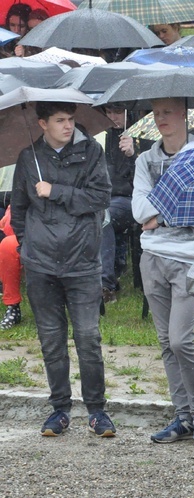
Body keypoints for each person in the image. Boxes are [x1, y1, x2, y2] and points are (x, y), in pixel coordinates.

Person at [11, 101, 115, 437]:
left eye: (70, 120)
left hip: (82, 261)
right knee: (51, 340)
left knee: (88, 337)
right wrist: (27, 247)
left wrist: (57, 191)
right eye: (59, 121)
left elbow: (100, 197)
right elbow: (19, 210)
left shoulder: (91, 152)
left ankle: (97, 411)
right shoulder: (29, 158)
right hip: (41, 263)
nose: (67, 126)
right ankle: (59, 410)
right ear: (42, 123)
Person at [131, 98, 194, 445]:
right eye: (156, 113)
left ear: (184, 114)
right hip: (152, 258)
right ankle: (183, 417)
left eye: (167, 112)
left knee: (182, 339)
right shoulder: (145, 160)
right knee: (166, 342)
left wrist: (161, 215)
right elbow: (139, 210)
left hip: (189, 259)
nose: (160, 119)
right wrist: (176, 205)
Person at [100, 104, 146, 303]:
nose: (112, 117)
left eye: (117, 112)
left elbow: (146, 180)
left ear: (129, 112)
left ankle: (106, 284)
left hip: (131, 199)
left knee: (104, 217)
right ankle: (112, 270)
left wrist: (132, 155)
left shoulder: (143, 134)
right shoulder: (102, 136)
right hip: (104, 198)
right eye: (108, 112)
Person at [0, 207, 21, 330]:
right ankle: (12, 305)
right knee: (8, 245)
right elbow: (10, 226)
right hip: (32, 235)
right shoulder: (27, 189)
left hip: (71, 234)